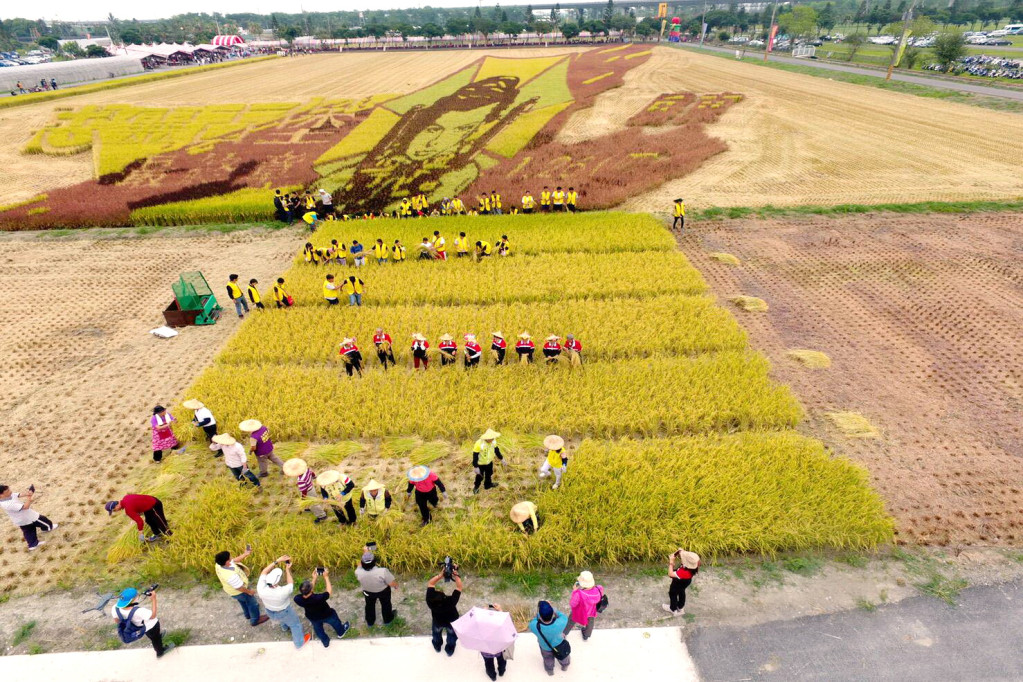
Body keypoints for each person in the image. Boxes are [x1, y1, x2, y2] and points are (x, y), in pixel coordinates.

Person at [257, 556, 312, 648]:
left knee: (281, 619)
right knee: (295, 625)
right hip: (284, 612)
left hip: (270, 611)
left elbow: (264, 572)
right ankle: (299, 643)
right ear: (277, 581)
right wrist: (287, 570)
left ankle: (284, 627)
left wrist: (277, 561)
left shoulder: (261, 588)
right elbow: (291, 583)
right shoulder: (282, 592)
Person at [112, 587, 175, 658]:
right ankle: (160, 652)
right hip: (151, 626)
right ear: (133, 600)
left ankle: (157, 638)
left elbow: (117, 621)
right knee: (155, 638)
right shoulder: (140, 611)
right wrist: (153, 599)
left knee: (152, 636)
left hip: (141, 628)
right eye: (137, 596)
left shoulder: (115, 608)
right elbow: (153, 616)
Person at [214, 546, 270, 627]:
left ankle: (247, 615)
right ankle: (255, 620)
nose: (232, 558)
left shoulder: (219, 564)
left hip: (231, 591)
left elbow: (234, 560)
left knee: (243, 602)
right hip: (239, 591)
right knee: (252, 603)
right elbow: (239, 588)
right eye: (230, 558)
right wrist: (249, 592)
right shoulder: (230, 575)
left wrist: (245, 554)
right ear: (227, 562)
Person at [295, 568, 350, 647]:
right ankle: (341, 632)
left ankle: (325, 641)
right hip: (327, 614)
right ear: (311, 590)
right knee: (336, 622)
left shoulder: (297, 599)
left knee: (318, 629)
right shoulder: (319, 598)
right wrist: (326, 577)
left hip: (313, 617)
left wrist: (314, 578)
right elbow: (329, 592)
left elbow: (308, 592)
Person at [1, 484, 57, 551]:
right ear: (1, 495)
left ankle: (32, 544)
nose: (10, 491)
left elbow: (18, 495)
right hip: (26, 517)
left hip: (20, 520)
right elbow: (25, 507)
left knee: (28, 531)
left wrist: (27, 493)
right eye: (7, 491)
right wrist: (29, 498)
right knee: (43, 520)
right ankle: (48, 527)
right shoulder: (7, 504)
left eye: (9, 489)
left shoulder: (9, 495)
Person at [355, 551, 398, 626]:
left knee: (369, 606)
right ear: (375, 561)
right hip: (383, 591)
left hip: (368, 592)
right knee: (386, 604)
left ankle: (370, 622)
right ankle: (388, 620)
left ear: (362, 563)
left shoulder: (358, 572)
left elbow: (359, 565)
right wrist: (396, 586)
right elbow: (391, 583)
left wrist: (365, 554)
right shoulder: (382, 571)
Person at [426, 567, 462, 656]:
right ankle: (450, 649)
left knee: (436, 634)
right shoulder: (450, 601)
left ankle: (437, 646)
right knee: (452, 636)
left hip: (438, 622)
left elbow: (430, 583)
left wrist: (440, 575)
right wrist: (456, 575)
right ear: (444, 596)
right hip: (451, 623)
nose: (437, 589)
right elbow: (459, 586)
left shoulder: (430, 601)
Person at [106, 494, 172, 542]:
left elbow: (140, 522)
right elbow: (137, 504)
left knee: (160, 521)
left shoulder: (128, 510)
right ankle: (157, 534)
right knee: (149, 520)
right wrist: (135, 515)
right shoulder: (126, 497)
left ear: (116, 506)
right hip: (147, 506)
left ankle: (170, 536)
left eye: (114, 510)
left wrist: (140, 534)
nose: (116, 511)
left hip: (153, 504)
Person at [529, 600, 571, 675]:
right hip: (560, 645)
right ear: (552, 614)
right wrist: (552, 608)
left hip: (545, 647)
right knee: (564, 657)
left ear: (540, 616)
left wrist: (541, 610)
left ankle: (550, 670)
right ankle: (565, 666)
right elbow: (560, 615)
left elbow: (536, 618)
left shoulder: (534, 625)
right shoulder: (562, 621)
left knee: (548, 659)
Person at [284, 459, 329, 523]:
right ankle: (309, 508)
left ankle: (322, 516)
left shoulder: (301, 480)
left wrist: (303, 498)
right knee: (313, 501)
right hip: (311, 488)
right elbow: (312, 473)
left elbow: (304, 491)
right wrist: (313, 476)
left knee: (313, 504)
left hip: (308, 492)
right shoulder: (305, 469)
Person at [567, 571, 604, 641]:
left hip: (579, 611)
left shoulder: (579, 594)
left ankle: (564, 633)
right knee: (590, 622)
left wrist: (574, 591)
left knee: (571, 621)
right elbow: (600, 596)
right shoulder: (599, 588)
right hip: (591, 611)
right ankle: (586, 635)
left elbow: (572, 604)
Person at [663, 549, 700, 616]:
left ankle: (673, 608)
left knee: (673, 593)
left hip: (679, 581)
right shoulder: (693, 566)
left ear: (686, 563)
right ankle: (680, 607)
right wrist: (679, 552)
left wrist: (671, 562)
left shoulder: (683, 572)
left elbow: (670, 574)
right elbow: (684, 555)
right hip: (686, 581)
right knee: (681, 591)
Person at [471, 429, 504, 494]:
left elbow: (497, 451)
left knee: (489, 474)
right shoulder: (479, 443)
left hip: (489, 462)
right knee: (480, 476)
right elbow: (475, 455)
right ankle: (476, 487)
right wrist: (476, 466)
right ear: (487, 438)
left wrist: (502, 458)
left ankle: (487, 485)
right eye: (491, 438)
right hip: (481, 464)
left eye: (493, 438)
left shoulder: (493, 442)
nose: (492, 440)